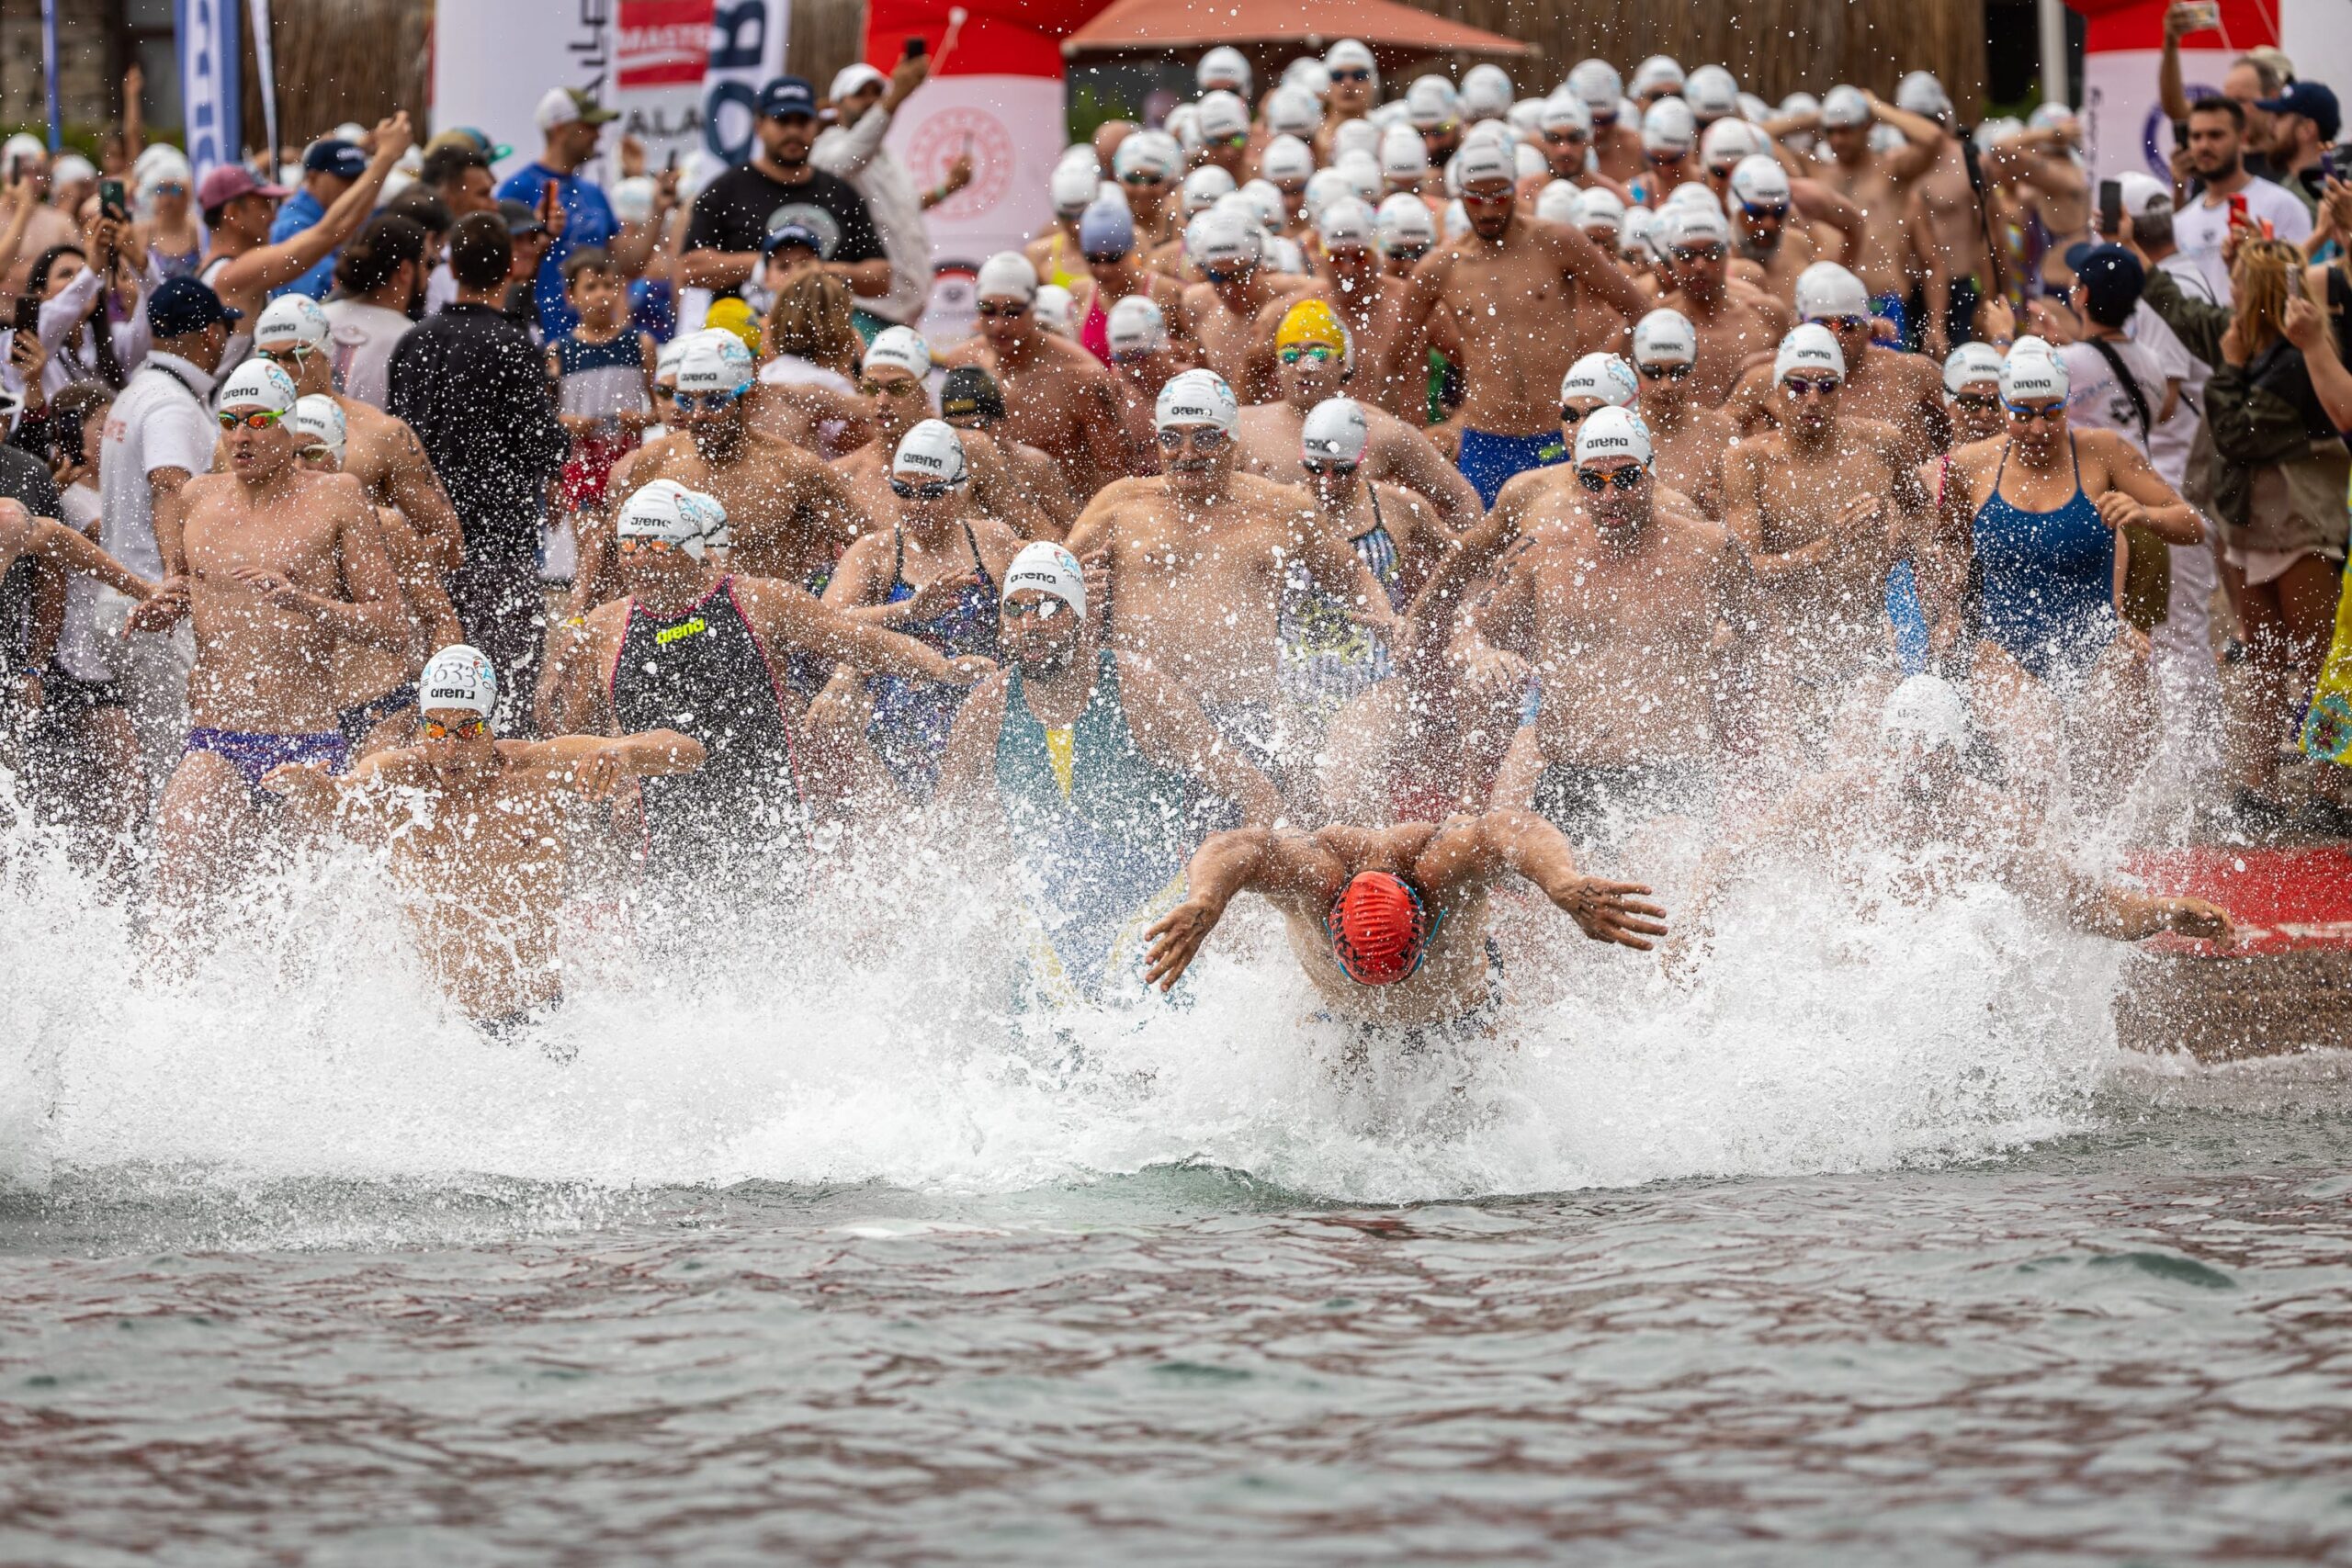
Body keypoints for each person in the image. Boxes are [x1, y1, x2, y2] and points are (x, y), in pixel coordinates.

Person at [541, 480, 990, 870]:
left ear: (693, 549)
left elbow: (855, 639)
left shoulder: (759, 602)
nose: (641, 561)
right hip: (662, 841)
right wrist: (597, 780)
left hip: (768, 829)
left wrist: (939, 667)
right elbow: (584, 728)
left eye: (658, 546)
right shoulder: (604, 627)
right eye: (629, 547)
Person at [264, 644, 707, 1033]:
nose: (451, 748)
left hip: (540, 1017)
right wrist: (306, 786)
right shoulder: (399, 778)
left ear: (491, 724)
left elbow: (687, 752)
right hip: (447, 1029)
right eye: (435, 729)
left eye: (468, 730)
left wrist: (620, 753)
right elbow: (339, 800)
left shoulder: (535, 770)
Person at [1668, 674, 2236, 976]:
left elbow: (2086, 907)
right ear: (1882, 744)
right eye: (1899, 743)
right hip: (1846, 985)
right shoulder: (1837, 797)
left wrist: (2169, 911)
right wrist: (1693, 934)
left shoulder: (1993, 820)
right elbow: (1730, 856)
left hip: (1934, 991)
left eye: (1931, 745)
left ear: (1957, 753)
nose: (1913, 758)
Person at [128, 360, 405, 913]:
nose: (239, 436)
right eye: (229, 421)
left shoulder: (337, 498)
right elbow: (185, 591)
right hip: (216, 740)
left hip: (307, 744)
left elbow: (390, 624)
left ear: (289, 424)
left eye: (257, 422)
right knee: (174, 902)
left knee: (302, 933)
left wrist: (304, 601)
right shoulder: (197, 499)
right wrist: (162, 609)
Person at [1064, 369, 1393, 820]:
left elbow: (1351, 574)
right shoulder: (1120, 503)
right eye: (1171, 438)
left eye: (1205, 437)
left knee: (1253, 856)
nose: (1186, 453)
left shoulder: (1282, 508)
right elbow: (1047, 577)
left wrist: (1385, 618)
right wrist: (1074, 584)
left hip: (1240, 717)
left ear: (1234, 440)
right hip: (1139, 718)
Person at [934, 544, 1235, 1004]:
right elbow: (947, 830)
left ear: (1080, 614)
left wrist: (1241, 911)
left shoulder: (1139, 689)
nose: (1029, 624)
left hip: (1153, 924)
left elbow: (1249, 789)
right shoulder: (987, 710)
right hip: (1047, 935)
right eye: (1014, 609)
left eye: (1049, 607)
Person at [1469, 407, 1759, 842]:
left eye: (1625, 478)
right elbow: (1471, 628)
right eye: (1593, 481)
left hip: (1675, 781)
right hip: (1570, 780)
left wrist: (1776, 739)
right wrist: (1482, 654)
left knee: (1656, 863)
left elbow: (1764, 637)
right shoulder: (1542, 550)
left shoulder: (1710, 548)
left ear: (1651, 473)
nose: (1610, 497)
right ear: (1578, 479)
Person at [2139, 237, 2348, 826]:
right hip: (2246, 527)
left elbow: (2237, 432)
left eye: (2236, 284)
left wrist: (2227, 368)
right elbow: (2188, 316)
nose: (2227, 293)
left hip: (2300, 527)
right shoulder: (2244, 338)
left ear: (2255, 297)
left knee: (2317, 661)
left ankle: (2330, 785)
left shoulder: (2296, 363)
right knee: (2262, 659)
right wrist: (2142, 254)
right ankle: (2260, 783)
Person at [1140, 810, 1667, 1030]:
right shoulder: (1314, 878)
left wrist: (1560, 882)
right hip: (1341, 1021)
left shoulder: (1443, 868)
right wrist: (1207, 899)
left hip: (1461, 1015)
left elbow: (1510, 829)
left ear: (1424, 920)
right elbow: (1243, 845)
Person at [1383, 137, 1645, 506]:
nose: (1488, 212)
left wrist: (1600, 380)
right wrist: (1409, 439)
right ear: (1459, 196)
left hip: (1557, 433)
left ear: (1515, 190)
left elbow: (1640, 312)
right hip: (1485, 439)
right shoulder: (1441, 268)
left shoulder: (1557, 242)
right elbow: (1394, 361)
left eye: (1499, 197)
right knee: (1486, 556)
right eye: (1476, 199)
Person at [386, 212, 568, 711]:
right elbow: (543, 442)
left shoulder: (413, 341)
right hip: (501, 544)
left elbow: (394, 439)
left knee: (434, 698)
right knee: (505, 697)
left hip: (425, 545)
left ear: (450, 265)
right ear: (510, 266)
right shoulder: (512, 343)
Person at [1723, 325, 1933, 753]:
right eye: (1798, 386)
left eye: (1825, 386)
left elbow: (1923, 519)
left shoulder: (1881, 444)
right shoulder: (1749, 462)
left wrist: (1900, 545)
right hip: (1790, 657)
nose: (1812, 400)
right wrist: (1825, 549)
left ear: (1841, 387)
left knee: (1860, 767)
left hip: (1874, 647)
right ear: (1777, 388)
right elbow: (1745, 571)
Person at [820, 420, 1023, 797]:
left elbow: (1029, 617)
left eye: (931, 492)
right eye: (903, 490)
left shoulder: (993, 542)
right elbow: (823, 624)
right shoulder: (875, 552)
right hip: (895, 724)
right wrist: (907, 611)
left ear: (960, 490)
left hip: (982, 720)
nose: (915, 505)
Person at [94, 276, 241, 784]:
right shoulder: (171, 403)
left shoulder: (140, 391)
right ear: (208, 334)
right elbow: (169, 486)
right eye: (224, 329)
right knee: (177, 763)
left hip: (126, 595)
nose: (225, 340)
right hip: (153, 603)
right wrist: (178, 581)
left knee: (169, 757)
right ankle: (170, 863)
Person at [605, 331, 871, 598]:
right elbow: (607, 547)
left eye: (714, 401)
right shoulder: (657, 461)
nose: (698, 416)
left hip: (763, 629)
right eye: (686, 401)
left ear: (749, 399)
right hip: (679, 632)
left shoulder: (793, 470)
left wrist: (836, 602)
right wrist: (579, 619)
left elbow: (873, 549)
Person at [285, 393, 462, 760]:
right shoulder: (267, 533)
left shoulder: (386, 527)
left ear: (341, 455)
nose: (301, 465)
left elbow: (440, 620)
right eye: (292, 454)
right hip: (298, 718)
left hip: (382, 710)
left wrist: (435, 706)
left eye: (314, 452)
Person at [252, 295, 464, 575]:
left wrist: (370, 576)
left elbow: (448, 542)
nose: (279, 368)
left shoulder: (382, 434)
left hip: (360, 610)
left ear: (326, 352)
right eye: (267, 357)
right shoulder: (239, 439)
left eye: (295, 355)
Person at [1273, 396, 1452, 722]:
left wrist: (1451, 620)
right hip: (1291, 687)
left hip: (1376, 683)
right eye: (1314, 468)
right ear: (1301, 458)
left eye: (1341, 470)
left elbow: (1466, 564)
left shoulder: (1399, 507)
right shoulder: (1279, 510)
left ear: (1361, 458)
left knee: (1346, 769)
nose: (1326, 481)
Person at [1235, 299, 1482, 531]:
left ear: (1344, 362)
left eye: (1319, 355)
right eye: (1290, 356)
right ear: (1277, 366)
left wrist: (1461, 568)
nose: (1304, 367)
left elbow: (1461, 499)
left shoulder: (1381, 430)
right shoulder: (1245, 426)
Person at [680, 75, 889, 311]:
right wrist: (765, 264)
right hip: (742, 338)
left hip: (825, 336)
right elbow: (689, 269)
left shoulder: (840, 193)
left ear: (815, 125)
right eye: (782, 120)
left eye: (802, 121)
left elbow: (881, 278)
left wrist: (820, 271)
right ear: (759, 126)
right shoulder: (727, 189)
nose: (793, 131)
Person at [940, 253, 1136, 500]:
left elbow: (1119, 477)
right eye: (988, 311)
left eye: (1012, 312)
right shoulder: (963, 363)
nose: (999, 325)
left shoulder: (1081, 376)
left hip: (1064, 522)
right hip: (992, 524)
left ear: (1033, 308)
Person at [197, 114, 412, 332]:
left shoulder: (228, 269)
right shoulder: (233, 274)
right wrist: (386, 156)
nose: (273, 215)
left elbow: (337, 228)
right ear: (233, 213)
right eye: (263, 205)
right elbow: (331, 232)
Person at [1725, 263, 1950, 460]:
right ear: (1799, 324)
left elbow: (1967, 429)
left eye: (1849, 325)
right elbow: (1717, 435)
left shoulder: (1914, 371)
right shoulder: (1767, 378)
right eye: (1822, 324)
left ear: (1868, 326)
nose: (1836, 336)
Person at [500, 87, 674, 338]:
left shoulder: (594, 193)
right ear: (560, 129)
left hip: (595, 343)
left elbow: (630, 263)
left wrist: (658, 208)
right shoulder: (518, 188)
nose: (598, 134)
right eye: (589, 126)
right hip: (539, 337)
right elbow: (497, 267)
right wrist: (536, 237)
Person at [815, 52, 963, 336]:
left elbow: (907, 207)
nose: (871, 100)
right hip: (863, 313)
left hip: (903, 316)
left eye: (876, 92)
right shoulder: (827, 148)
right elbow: (848, 159)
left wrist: (949, 188)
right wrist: (894, 98)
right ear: (836, 105)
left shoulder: (885, 157)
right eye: (860, 94)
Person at [547, 248, 657, 547]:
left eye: (608, 286)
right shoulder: (559, 352)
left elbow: (662, 410)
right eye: (591, 287)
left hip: (629, 464)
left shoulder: (639, 345)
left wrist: (641, 419)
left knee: (628, 550)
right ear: (571, 296)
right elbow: (549, 417)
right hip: (581, 468)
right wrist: (569, 423)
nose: (601, 295)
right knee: (589, 551)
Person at [2173, 97, 2313, 301]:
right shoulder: (2181, 221)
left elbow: (2302, 285)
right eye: (2195, 137)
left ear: (2243, 138)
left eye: (2215, 135)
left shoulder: (2282, 205)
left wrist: (2262, 258)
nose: (2203, 145)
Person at [1652, 201, 1791, 405]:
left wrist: (1756, 367)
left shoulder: (1766, 313)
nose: (1700, 266)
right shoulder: (1656, 321)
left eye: (1712, 253)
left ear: (1728, 254)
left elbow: (1797, 379)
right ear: (1671, 258)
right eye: (1686, 255)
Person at [1629, 308, 1736, 519]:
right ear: (1635, 368)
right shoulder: (1620, 433)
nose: (1666, 385)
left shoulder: (1723, 432)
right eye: (1653, 372)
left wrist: (1721, 514)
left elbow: (1742, 517)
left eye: (1679, 372)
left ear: (1694, 368)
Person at [321, 214, 427, 409]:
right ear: (405, 271)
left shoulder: (319, 316)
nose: (429, 274)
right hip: (371, 437)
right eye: (427, 264)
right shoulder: (411, 337)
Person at [266, 138, 370, 301]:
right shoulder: (291, 225)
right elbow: (320, 293)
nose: (354, 188)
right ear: (313, 177)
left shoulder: (351, 215)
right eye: (345, 178)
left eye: (358, 179)